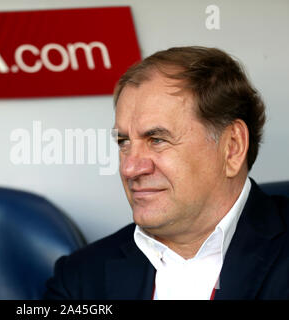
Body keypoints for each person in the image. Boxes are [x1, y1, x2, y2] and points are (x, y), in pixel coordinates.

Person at [43, 46, 289, 300]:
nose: (130, 168)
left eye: (157, 140)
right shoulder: (79, 278)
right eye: (124, 142)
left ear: (232, 147)